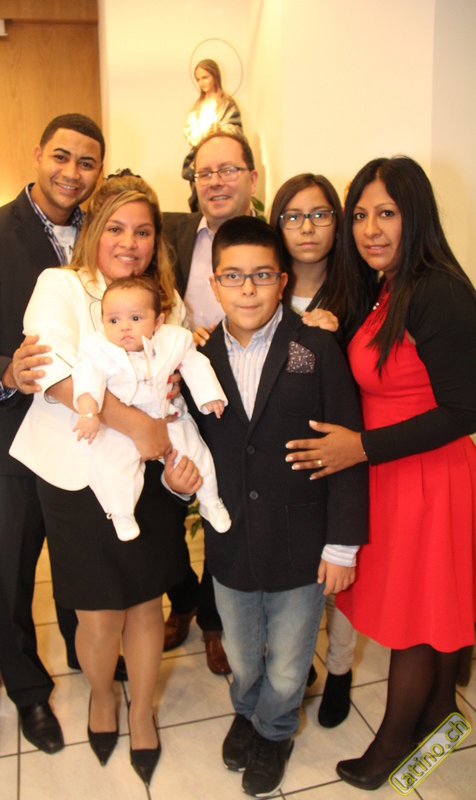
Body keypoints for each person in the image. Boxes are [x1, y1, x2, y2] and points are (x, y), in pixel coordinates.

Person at [285, 156, 476, 790]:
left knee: (416, 619)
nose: (370, 229)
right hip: (399, 472)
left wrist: (362, 447)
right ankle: (441, 721)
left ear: (415, 216)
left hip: (427, 476)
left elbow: (465, 409)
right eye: (361, 215)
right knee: (432, 609)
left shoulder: (436, 291)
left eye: (386, 214)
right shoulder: (390, 286)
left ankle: (393, 745)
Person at [9, 171, 201, 785]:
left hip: (147, 478)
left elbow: (182, 376)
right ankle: (101, 693)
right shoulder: (61, 285)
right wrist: (138, 424)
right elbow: (53, 371)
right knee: (97, 616)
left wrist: (174, 422)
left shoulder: (166, 299)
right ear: (93, 230)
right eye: (116, 228)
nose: (130, 242)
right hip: (76, 474)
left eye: (143, 231)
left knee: (146, 606)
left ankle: (141, 712)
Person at [0, 113, 111, 755]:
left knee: (79, 562)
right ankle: (28, 691)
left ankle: (84, 653)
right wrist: (8, 373)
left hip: (85, 436)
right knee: (13, 575)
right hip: (13, 442)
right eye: (61, 157)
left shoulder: (103, 233)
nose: (72, 172)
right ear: (38, 154)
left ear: (99, 171)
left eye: (87, 163)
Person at [183, 215, 368, 797]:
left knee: (289, 661)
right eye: (232, 277)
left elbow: (348, 450)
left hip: (302, 545)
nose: (247, 289)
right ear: (214, 285)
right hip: (231, 541)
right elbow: (188, 445)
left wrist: (342, 545)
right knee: (241, 653)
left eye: (262, 275)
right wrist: (178, 482)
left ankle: (276, 730)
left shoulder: (316, 347)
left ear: (282, 280)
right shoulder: (196, 360)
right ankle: (248, 712)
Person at [162, 130, 258, 672]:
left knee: (226, 508)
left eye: (228, 170)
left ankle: (215, 619)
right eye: (205, 172)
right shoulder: (172, 233)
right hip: (172, 395)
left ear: (252, 177)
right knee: (167, 509)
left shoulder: (271, 237)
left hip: (238, 401)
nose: (216, 181)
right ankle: (181, 600)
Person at [270, 174, 357, 728]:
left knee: (343, 571)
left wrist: (334, 337)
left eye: (320, 214)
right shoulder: (265, 290)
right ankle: (297, 664)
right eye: (294, 216)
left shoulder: (360, 292)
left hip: (343, 452)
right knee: (295, 572)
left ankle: (341, 669)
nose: (307, 227)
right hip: (285, 456)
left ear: (337, 222)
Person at [72, 274, 231, 540]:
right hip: (123, 426)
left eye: (135, 318)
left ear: (157, 321)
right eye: (114, 320)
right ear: (102, 322)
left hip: (169, 417)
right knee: (113, 464)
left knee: (196, 452)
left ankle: (211, 502)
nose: (124, 327)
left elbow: (194, 364)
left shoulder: (173, 340)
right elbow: (87, 381)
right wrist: (88, 413)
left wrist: (208, 395)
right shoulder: (97, 349)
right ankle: (122, 514)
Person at [182, 59, 243, 211]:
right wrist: (205, 135)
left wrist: (220, 131)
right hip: (202, 157)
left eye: (205, 77)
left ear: (215, 76)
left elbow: (235, 128)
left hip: (224, 157)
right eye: (198, 79)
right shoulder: (197, 107)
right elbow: (190, 130)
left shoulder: (227, 103)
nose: (201, 83)